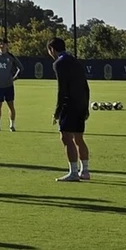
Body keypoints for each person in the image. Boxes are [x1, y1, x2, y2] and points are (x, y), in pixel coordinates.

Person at [48, 37, 91, 181]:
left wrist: (57, 111)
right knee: (79, 137)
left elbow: (62, 88)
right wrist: (86, 106)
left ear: (52, 49)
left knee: (66, 137)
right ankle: (85, 171)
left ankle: (73, 172)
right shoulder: (75, 61)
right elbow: (85, 85)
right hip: (80, 103)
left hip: (69, 104)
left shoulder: (59, 63)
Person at [0, 38, 22, 131]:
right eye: (0, 44)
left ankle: (12, 125)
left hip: (9, 86)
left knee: (11, 105)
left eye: (3, 44)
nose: (1, 46)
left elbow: (20, 68)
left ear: (7, 46)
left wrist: (15, 77)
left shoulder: (11, 57)